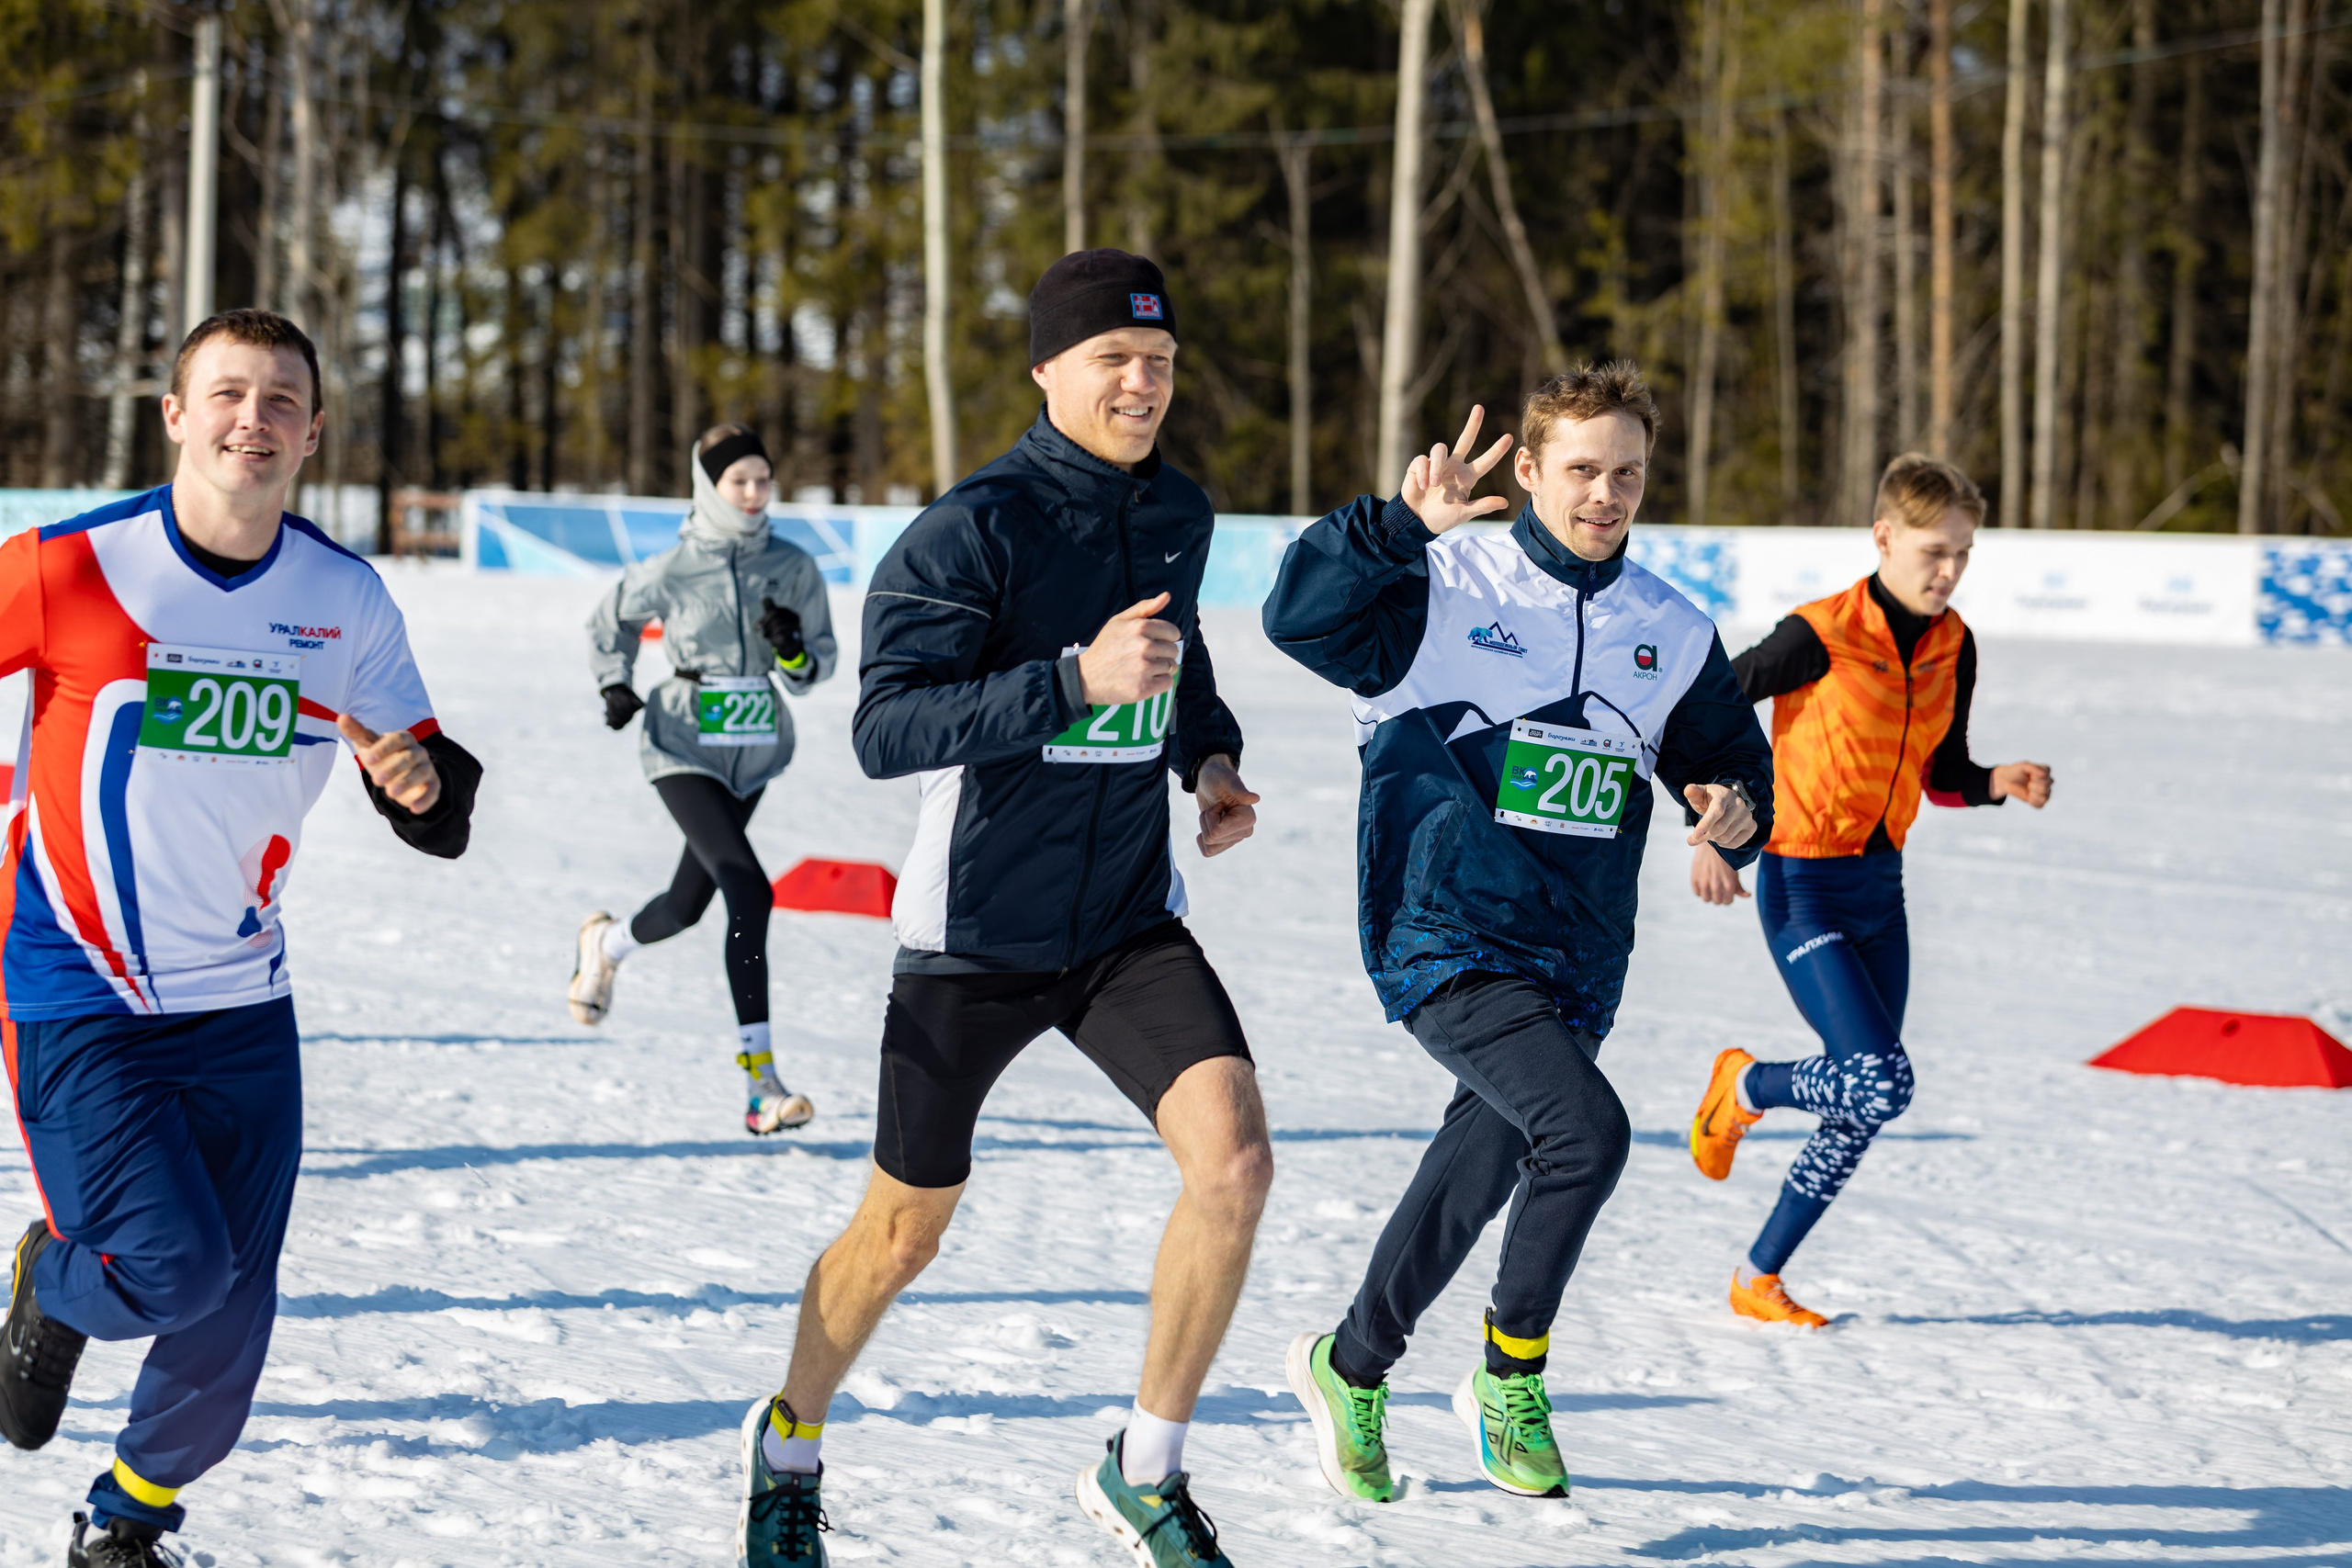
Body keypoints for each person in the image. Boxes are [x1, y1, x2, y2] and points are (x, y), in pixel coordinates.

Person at [733, 250, 1268, 1568]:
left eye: (1158, 364)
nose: (1141, 385)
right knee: (903, 1232)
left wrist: (1208, 759)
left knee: (1236, 1165)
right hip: (972, 934)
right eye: (1113, 363)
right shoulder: (972, 526)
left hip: (1124, 919)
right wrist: (1070, 682)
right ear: (1048, 370)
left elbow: (1178, 669)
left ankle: (1145, 1466)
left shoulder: (1179, 511)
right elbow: (886, 726)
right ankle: (789, 1440)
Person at [0, 310, 482, 1566]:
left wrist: (420, 783)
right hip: (77, 982)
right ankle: (56, 1276)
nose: (251, 421)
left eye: (281, 402)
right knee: (171, 1265)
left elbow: (434, 777)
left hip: (243, 997)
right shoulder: (68, 564)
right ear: (174, 413)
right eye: (227, 393)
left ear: (313, 432)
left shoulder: (341, 597)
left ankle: (126, 1520)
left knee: (236, 1295)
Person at [1263, 365, 1773, 1505]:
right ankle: (1511, 1376)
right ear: (1531, 470)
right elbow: (1294, 616)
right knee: (1585, 1132)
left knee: (1484, 1158)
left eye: (1627, 473)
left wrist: (1733, 819)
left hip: (1581, 952)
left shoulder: (1671, 629)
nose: (1606, 495)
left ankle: (1350, 1368)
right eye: (1582, 470)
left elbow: (1734, 767)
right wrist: (1396, 529)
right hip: (1441, 926)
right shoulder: (1442, 580)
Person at [1686, 453, 2051, 1328]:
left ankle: (1757, 1278)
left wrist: (1995, 779)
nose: (1949, 570)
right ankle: (1746, 1087)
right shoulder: (1818, 633)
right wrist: (1714, 830)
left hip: (1880, 893)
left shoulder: (1953, 644)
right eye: (1933, 550)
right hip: (1801, 884)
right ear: (1883, 537)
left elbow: (1944, 771)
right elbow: (1710, 711)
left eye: (1963, 552)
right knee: (1879, 1077)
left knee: (1867, 1094)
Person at [566, 423, 837, 1135]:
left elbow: (816, 671)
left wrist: (793, 652)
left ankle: (607, 944)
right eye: (737, 481)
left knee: (689, 904)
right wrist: (616, 684)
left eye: (762, 479)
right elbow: (608, 621)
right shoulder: (674, 566)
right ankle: (762, 1084)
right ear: (710, 487)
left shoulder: (794, 565)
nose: (753, 493)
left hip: (754, 751)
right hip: (682, 742)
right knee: (749, 887)